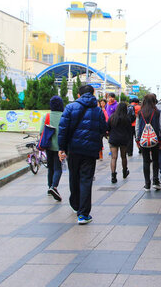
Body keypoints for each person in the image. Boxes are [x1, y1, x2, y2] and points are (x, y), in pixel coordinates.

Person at [58, 85, 107, 224]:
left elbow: (63, 129)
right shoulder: (98, 110)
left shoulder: (70, 107)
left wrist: (61, 148)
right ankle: (83, 214)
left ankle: (75, 205)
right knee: (86, 179)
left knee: (74, 176)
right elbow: (103, 128)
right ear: (93, 94)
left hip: (73, 150)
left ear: (79, 95)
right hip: (90, 151)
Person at [136, 93, 161, 191]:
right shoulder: (157, 112)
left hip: (143, 140)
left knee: (146, 161)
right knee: (155, 160)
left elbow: (137, 127)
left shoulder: (140, 112)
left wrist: (137, 139)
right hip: (155, 139)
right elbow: (160, 127)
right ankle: (155, 181)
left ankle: (147, 184)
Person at [40, 96, 65, 201]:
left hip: (48, 146)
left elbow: (41, 131)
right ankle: (54, 186)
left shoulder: (47, 116)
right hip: (60, 147)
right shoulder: (64, 116)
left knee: (50, 167)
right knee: (58, 168)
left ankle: (49, 187)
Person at [108, 102, 132, 183]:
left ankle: (113, 175)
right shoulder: (127, 118)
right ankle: (125, 172)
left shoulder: (112, 117)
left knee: (114, 158)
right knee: (123, 156)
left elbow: (108, 128)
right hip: (123, 140)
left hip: (113, 139)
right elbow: (130, 131)